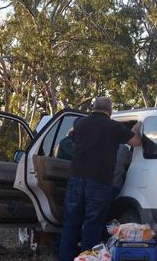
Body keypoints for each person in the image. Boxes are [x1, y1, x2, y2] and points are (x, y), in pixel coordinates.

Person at [59, 97, 142, 261]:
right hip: (99, 182)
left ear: (93, 108)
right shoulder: (114, 127)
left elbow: (71, 136)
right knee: (92, 224)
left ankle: (65, 258)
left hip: (76, 179)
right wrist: (137, 127)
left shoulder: (80, 123)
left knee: (71, 222)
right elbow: (136, 142)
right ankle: (86, 258)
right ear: (110, 111)